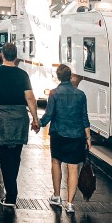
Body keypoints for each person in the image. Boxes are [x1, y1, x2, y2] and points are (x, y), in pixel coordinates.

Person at [0, 42, 40, 207]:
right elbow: (30, 98)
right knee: (15, 156)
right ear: (16, 56)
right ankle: (11, 190)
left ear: (3, 55)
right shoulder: (23, 74)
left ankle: (11, 196)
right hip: (20, 117)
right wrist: (35, 119)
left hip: (1, 117)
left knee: (5, 156)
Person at [40, 63, 91, 214]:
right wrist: (88, 137)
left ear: (58, 77)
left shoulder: (54, 93)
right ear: (70, 76)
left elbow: (48, 115)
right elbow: (84, 117)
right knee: (73, 168)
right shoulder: (81, 94)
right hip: (77, 136)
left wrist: (38, 124)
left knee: (56, 163)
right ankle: (70, 204)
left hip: (58, 134)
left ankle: (56, 196)